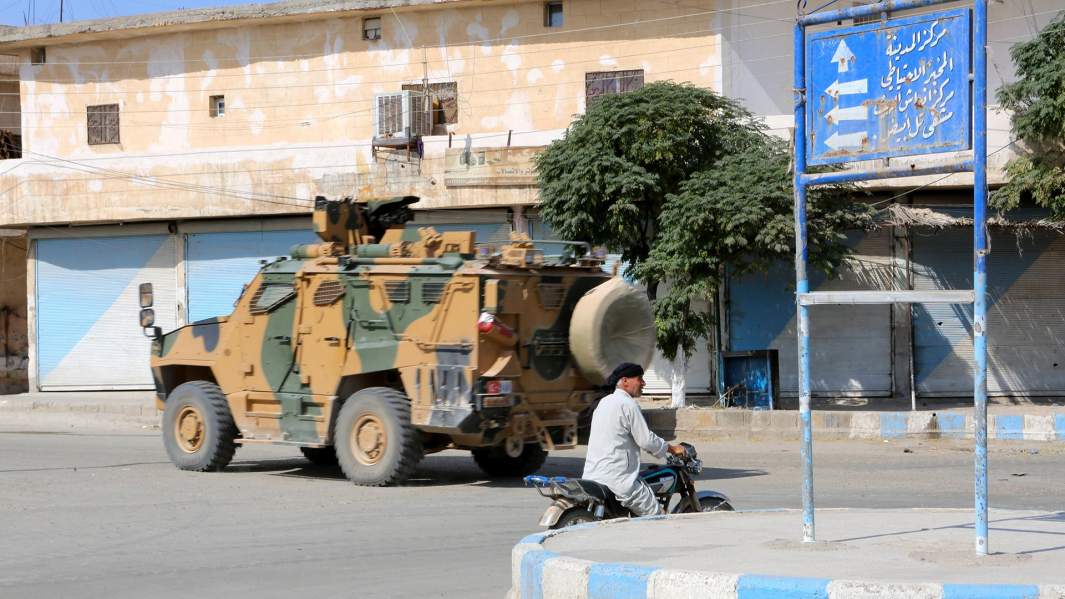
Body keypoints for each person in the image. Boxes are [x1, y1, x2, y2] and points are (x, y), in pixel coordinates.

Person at [581, 362, 686, 516]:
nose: (643, 383)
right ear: (625, 381)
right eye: (639, 378)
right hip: (618, 480)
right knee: (658, 517)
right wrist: (672, 448)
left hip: (593, 477)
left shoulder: (603, 403)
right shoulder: (627, 404)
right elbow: (646, 440)